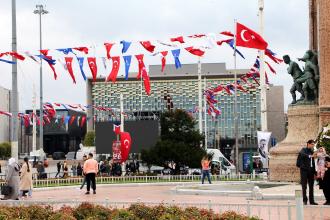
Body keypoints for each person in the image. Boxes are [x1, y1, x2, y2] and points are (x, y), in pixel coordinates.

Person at [296, 139, 318, 205]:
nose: (313, 145)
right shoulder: (303, 150)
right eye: (312, 144)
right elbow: (302, 154)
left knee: (311, 186)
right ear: (308, 144)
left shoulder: (312, 151)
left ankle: (312, 201)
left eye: (313, 144)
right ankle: (304, 200)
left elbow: (313, 162)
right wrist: (310, 156)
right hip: (304, 171)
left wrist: (315, 172)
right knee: (304, 186)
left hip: (311, 171)